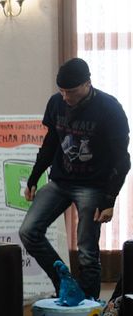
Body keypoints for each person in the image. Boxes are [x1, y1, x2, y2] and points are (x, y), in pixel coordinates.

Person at [19, 58, 130, 300]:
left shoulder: (110, 109)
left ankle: (87, 305)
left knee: (87, 252)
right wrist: (34, 177)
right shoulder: (56, 103)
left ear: (87, 84)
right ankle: (65, 283)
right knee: (28, 231)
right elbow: (50, 143)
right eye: (61, 91)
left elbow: (122, 160)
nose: (65, 96)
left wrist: (109, 200)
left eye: (70, 91)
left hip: (93, 186)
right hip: (61, 181)